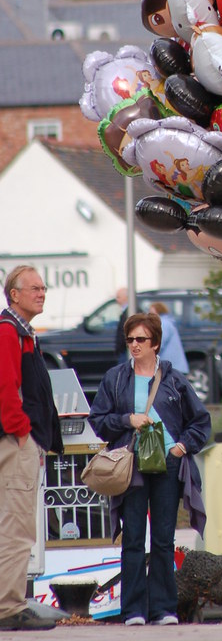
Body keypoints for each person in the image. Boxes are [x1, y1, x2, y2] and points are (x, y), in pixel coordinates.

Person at [88, 311, 211, 627]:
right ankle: (133, 611)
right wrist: (127, 420)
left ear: (155, 343)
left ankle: (164, 609)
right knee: (132, 537)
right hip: (133, 464)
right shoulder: (116, 378)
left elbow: (200, 421)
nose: (134, 345)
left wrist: (181, 446)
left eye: (141, 339)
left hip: (168, 464)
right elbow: (98, 420)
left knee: (163, 538)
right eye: (130, 339)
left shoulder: (173, 378)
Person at [0, 265, 63, 632]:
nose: (42, 293)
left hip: (15, 439)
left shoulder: (18, 330)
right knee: (16, 527)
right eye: (35, 288)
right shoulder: (9, 331)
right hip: (14, 442)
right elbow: (6, 389)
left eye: (44, 288)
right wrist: (23, 432)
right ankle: (8, 607)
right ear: (14, 294)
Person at [148, 302, 189, 374]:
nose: (149, 314)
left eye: (151, 312)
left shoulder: (163, 324)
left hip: (171, 368)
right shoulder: (168, 322)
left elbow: (159, 343)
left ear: (158, 311)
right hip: (175, 367)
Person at [114, 287, 129, 363]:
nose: (116, 300)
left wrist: (120, 347)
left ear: (125, 297)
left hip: (126, 351)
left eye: (118, 297)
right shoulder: (125, 311)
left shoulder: (130, 312)